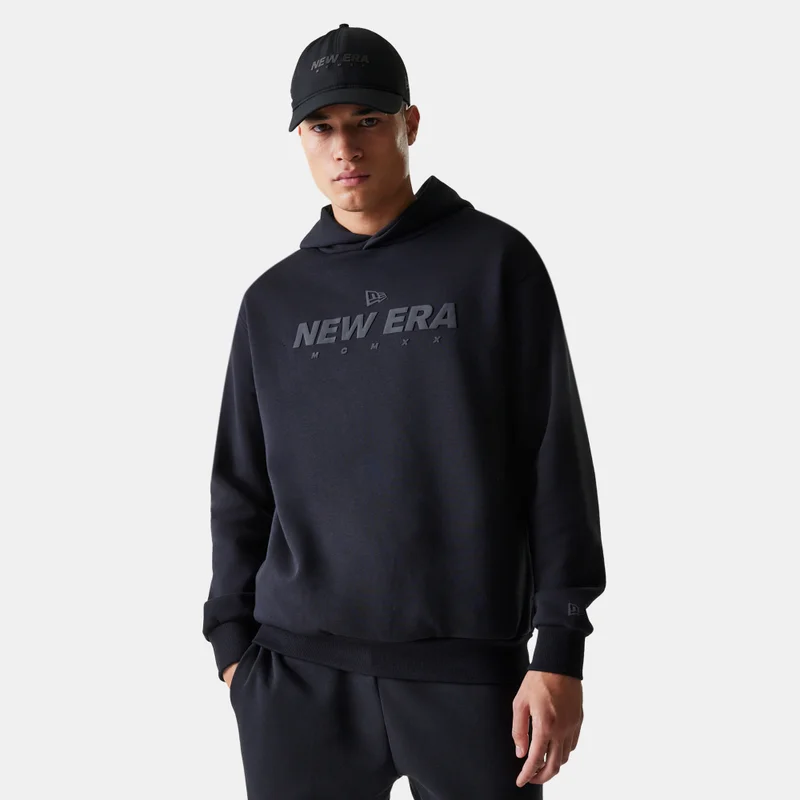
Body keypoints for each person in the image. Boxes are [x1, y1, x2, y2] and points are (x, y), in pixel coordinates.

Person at [202, 22, 606, 799]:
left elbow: (554, 458)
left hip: (469, 674)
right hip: (295, 675)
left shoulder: (494, 263)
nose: (344, 148)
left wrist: (561, 646)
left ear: (409, 123)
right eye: (321, 127)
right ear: (300, 139)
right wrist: (231, 641)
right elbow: (240, 483)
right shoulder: (273, 302)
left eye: (367, 121)